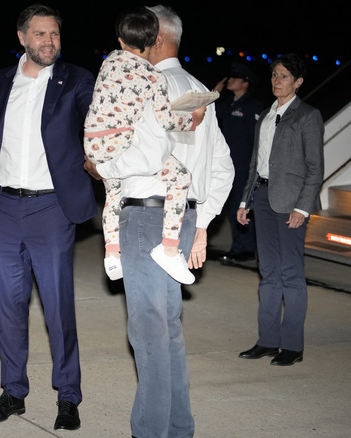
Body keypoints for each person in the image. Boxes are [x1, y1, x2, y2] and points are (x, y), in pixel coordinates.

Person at [87, 5, 233, 436]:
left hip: (146, 217)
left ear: (156, 39)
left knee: (149, 336)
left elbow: (144, 156)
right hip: (181, 221)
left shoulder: (142, 83)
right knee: (168, 333)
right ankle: (177, 427)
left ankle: (150, 431)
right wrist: (202, 225)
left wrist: (102, 169)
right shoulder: (199, 90)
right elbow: (222, 167)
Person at [0, 4, 95, 431]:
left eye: (55, 34)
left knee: (58, 307)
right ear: (22, 38)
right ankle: (14, 391)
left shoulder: (76, 80)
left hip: (51, 208)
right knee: (5, 306)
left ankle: (68, 396)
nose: (50, 42)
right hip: (4, 208)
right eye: (40, 35)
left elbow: (99, 120)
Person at [84, 7, 204, 284]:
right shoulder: (153, 77)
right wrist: (193, 119)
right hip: (121, 144)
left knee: (113, 191)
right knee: (180, 177)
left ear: (120, 40)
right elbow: (165, 120)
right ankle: (169, 248)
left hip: (94, 142)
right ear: (154, 43)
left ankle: (112, 253)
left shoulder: (109, 61)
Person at [237, 53, 324, 367]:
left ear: (298, 82)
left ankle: (292, 345)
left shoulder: (307, 116)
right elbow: (254, 164)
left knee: (290, 275)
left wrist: (303, 207)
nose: (277, 81)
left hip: (291, 205)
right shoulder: (264, 115)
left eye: (284, 76)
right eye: (274, 75)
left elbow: (315, 169)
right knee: (268, 274)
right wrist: (245, 201)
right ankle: (267, 340)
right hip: (262, 196)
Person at [213, 62, 264, 264]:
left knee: (240, 205)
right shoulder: (228, 104)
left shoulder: (253, 107)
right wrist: (213, 96)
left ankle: (244, 248)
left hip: (244, 165)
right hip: (227, 164)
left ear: (245, 83)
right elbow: (209, 116)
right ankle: (240, 246)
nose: (229, 81)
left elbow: (259, 138)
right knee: (228, 206)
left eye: (235, 78)